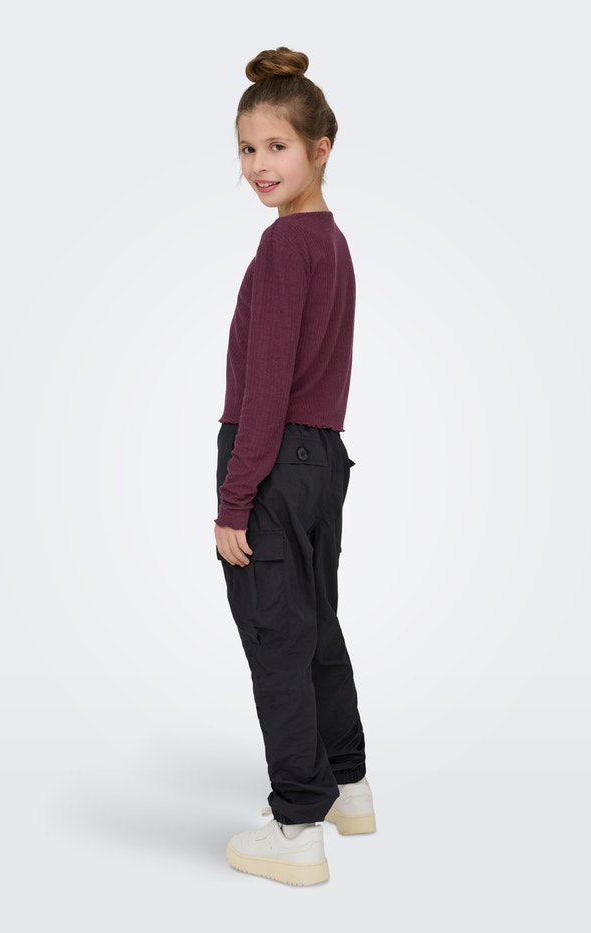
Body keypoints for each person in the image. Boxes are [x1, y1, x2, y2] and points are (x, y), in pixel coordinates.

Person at [214, 47, 375, 886]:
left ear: (320, 148)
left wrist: (235, 497)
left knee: (278, 638)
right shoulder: (330, 242)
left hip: (273, 460)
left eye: (276, 146)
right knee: (314, 628)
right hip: (322, 459)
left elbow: (267, 386)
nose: (258, 165)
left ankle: (297, 824)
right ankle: (348, 786)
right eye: (247, 148)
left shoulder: (284, 248)